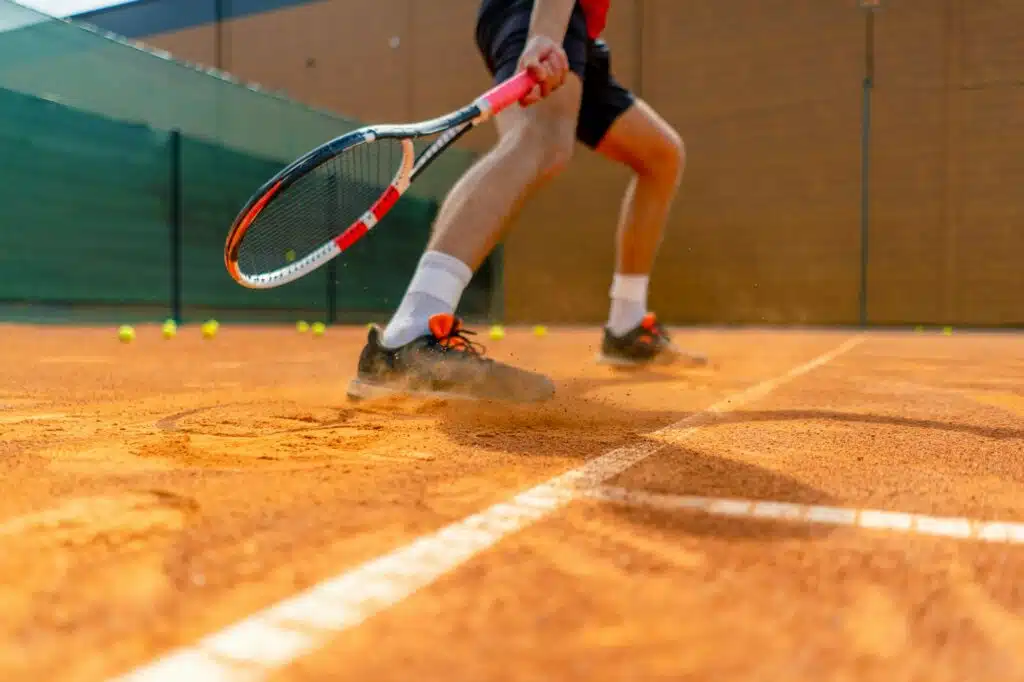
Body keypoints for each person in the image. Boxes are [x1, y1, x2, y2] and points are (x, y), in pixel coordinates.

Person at [347, 0, 706, 403]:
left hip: (578, 30)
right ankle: (410, 335)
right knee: (541, 139)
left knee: (661, 155)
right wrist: (545, 34)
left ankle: (627, 327)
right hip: (537, 10)